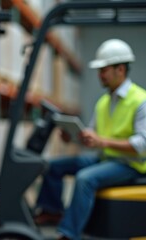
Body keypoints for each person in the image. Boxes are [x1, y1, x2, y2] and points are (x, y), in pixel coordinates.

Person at [33, 38, 146, 240]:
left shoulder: (140, 101)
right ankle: (52, 211)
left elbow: (141, 145)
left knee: (85, 178)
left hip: (131, 164)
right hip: (105, 158)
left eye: (103, 69)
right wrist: (74, 137)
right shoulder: (103, 102)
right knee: (52, 166)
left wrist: (102, 142)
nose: (99, 75)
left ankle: (68, 234)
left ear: (120, 69)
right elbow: (93, 135)